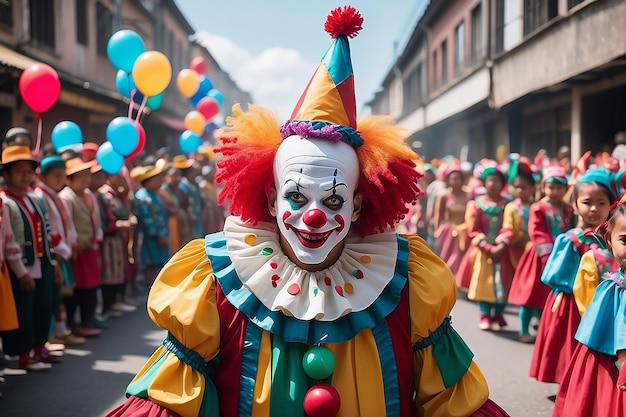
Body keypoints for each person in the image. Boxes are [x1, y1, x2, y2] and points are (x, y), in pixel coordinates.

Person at [106, 6, 509, 417]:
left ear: (356, 207)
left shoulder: (406, 283)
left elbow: (453, 399)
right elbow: (169, 398)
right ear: (270, 200)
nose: (313, 216)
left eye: (333, 200)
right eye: (296, 197)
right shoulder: (218, 284)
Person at [529, 168, 616, 382]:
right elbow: (554, 274)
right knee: (570, 344)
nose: (594, 208)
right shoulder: (571, 239)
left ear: (611, 205)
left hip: (604, 300)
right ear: (575, 206)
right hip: (572, 303)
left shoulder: (614, 237)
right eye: (587, 202)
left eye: (601, 203)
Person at [552, 197, 626, 416]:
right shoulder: (614, 289)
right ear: (609, 242)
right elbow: (621, 329)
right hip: (613, 364)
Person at [0, 146, 62, 370]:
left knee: (43, 306)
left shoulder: (35, 199)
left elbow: (45, 229)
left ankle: (39, 348)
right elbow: (10, 240)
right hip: (23, 265)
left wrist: (52, 260)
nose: (25, 176)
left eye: (28, 171)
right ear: (6, 175)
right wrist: (21, 272)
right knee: (24, 310)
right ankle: (24, 355)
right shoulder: (6, 202)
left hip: (41, 261)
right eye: (19, 171)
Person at [506, 165, 575, 336]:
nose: (555, 192)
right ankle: (523, 330)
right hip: (539, 256)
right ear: (543, 188)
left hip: (563, 256)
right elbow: (537, 232)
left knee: (551, 296)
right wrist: (547, 253)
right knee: (530, 296)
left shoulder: (568, 209)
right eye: (551, 187)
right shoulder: (538, 207)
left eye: (559, 188)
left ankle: (547, 331)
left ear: (565, 189)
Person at [33, 155, 85, 346]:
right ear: (43, 176)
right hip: (53, 253)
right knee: (52, 295)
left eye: (63, 175)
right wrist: (60, 250)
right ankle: (49, 335)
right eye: (56, 175)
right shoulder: (40, 196)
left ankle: (61, 331)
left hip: (63, 252)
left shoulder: (56, 195)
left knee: (60, 294)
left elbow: (66, 223)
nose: (60, 179)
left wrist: (72, 242)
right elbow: (48, 229)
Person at [456, 160, 512, 330]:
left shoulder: (508, 204)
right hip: (483, 251)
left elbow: (511, 225)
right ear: (484, 183)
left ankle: (499, 313)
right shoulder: (476, 204)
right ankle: (485, 315)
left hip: (504, 250)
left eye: (497, 181)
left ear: (503, 184)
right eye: (490, 180)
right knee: (483, 283)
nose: (494, 184)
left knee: (505, 282)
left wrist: (501, 244)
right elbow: (473, 230)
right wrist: (488, 247)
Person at [60, 156, 104, 337]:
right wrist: (74, 244)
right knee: (76, 289)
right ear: (69, 179)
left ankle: (87, 319)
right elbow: (68, 224)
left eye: (87, 175)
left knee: (91, 286)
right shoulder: (66, 198)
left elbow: (95, 220)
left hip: (90, 248)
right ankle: (75, 323)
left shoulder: (88, 195)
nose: (85, 180)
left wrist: (96, 238)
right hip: (77, 250)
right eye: (80, 177)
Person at [130, 159, 169, 288]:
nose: (160, 181)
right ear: (148, 181)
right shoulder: (142, 197)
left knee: (160, 264)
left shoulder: (156, 195)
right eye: (157, 179)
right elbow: (147, 220)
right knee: (151, 264)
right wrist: (158, 235)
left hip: (162, 236)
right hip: (150, 238)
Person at [433, 159, 468, 274]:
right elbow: (438, 215)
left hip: (463, 231)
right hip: (447, 231)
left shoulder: (468, 195)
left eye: (458, 179)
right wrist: (437, 231)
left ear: (462, 180)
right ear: (448, 180)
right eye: (453, 179)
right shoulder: (444, 195)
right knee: (446, 260)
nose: (455, 181)